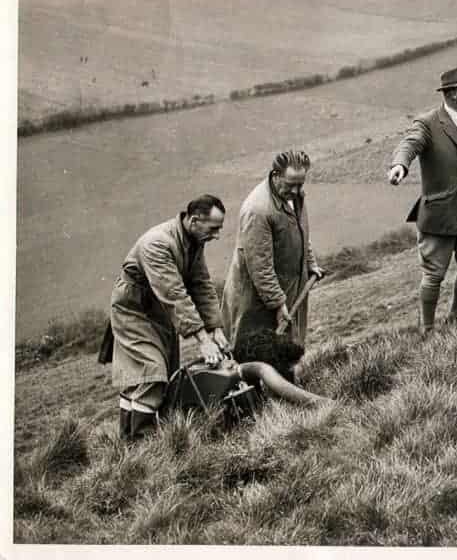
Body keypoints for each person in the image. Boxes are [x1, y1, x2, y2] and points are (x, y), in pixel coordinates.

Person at [106, 195, 230, 440]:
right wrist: (203, 341)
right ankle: (143, 446)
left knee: (162, 375)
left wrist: (216, 328)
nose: (217, 235)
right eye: (214, 228)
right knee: (152, 373)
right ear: (194, 221)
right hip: (135, 309)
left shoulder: (193, 240)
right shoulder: (158, 243)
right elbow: (174, 293)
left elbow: (201, 284)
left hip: (159, 309)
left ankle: (130, 442)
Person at [388, 66, 457, 334]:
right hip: (440, 213)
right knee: (434, 275)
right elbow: (409, 144)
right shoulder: (427, 123)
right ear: (453, 93)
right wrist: (400, 165)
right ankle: (427, 329)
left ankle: (456, 314)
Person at [222, 150, 325, 355]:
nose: (296, 191)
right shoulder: (258, 210)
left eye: (300, 184)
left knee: (286, 352)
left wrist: (310, 262)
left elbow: (300, 233)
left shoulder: (294, 196)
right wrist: (278, 304)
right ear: (275, 175)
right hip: (256, 301)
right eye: (290, 185)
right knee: (252, 356)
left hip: (287, 289)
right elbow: (261, 267)